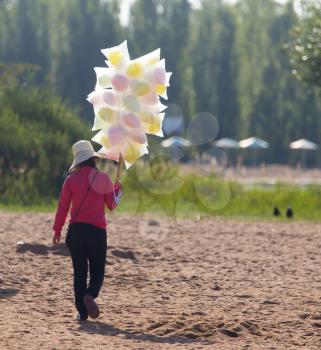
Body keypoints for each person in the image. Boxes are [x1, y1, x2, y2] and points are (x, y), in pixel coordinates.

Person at [52, 140, 122, 321]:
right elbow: (112, 205)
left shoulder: (71, 180)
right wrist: (117, 189)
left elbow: (62, 207)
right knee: (97, 271)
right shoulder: (104, 179)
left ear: (78, 160)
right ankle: (90, 295)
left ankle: (82, 313)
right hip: (97, 232)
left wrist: (57, 230)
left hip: (76, 231)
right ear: (92, 158)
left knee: (79, 272)